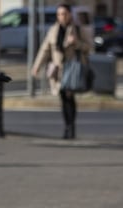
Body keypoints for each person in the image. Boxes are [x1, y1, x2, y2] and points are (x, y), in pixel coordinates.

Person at [31, 3, 92, 140]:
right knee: (63, 98)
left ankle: (71, 127)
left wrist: (76, 42)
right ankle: (66, 126)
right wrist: (36, 66)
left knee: (70, 98)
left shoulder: (77, 29)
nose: (61, 17)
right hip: (58, 70)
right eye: (59, 14)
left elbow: (89, 47)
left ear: (70, 14)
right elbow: (45, 49)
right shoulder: (53, 30)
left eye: (64, 14)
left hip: (73, 69)